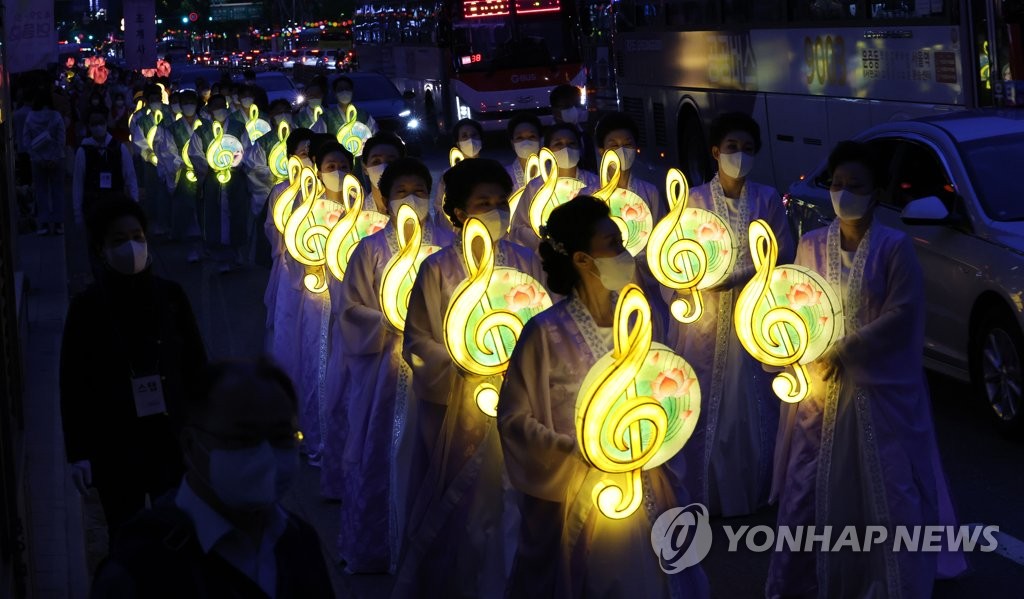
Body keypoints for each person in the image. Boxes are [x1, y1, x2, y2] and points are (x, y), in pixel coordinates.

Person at [766, 141, 967, 598]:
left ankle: (892, 582)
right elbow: (796, 301)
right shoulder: (811, 244)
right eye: (836, 184)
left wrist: (846, 349)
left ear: (877, 192)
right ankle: (808, 580)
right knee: (809, 487)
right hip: (823, 390)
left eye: (855, 185)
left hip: (881, 393)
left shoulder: (895, 248)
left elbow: (902, 314)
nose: (843, 194)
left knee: (891, 492)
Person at [497, 195, 709, 599]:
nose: (625, 254)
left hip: (647, 477)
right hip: (580, 485)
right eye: (613, 245)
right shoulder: (544, 332)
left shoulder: (641, 319)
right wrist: (571, 448)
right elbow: (514, 419)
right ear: (582, 259)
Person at [395, 158, 546, 598]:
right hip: (459, 406)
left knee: (518, 499)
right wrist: (462, 363)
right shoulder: (437, 269)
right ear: (458, 211)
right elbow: (418, 343)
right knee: (467, 505)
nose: (496, 210)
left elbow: (543, 325)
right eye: (483, 203)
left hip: (519, 399)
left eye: (501, 202)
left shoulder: (524, 260)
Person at [90, 359, 334, 598]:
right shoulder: (141, 565)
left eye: (281, 437)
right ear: (190, 445)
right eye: (243, 438)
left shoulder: (300, 542)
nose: (265, 456)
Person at [666, 111, 792, 518]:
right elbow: (671, 262)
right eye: (733, 148)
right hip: (705, 319)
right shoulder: (695, 202)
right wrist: (696, 283)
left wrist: (749, 277)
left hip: (753, 318)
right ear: (716, 151)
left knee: (755, 403)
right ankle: (705, 492)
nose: (740, 155)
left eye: (749, 149)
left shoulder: (767, 198)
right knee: (706, 400)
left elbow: (783, 256)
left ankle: (758, 488)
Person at [60, 198, 207, 540]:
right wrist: (77, 452)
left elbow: (196, 365)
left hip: (171, 438)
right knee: (127, 538)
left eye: (137, 236)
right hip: (114, 446)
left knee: (176, 534)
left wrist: (206, 429)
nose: (131, 246)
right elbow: (73, 383)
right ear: (101, 249)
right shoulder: (87, 308)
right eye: (119, 240)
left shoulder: (170, 296)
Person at [335, 157, 453, 573]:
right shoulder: (369, 249)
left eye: (420, 191)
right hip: (386, 370)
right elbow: (349, 309)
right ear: (383, 200)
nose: (412, 200)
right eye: (401, 192)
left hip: (439, 365)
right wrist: (385, 319)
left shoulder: (447, 245)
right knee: (383, 448)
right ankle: (378, 546)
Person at [287, 139, 354, 467]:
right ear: (318, 170)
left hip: (354, 308)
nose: (338, 173)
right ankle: (318, 442)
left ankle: (347, 445)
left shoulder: (363, 210)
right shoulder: (307, 211)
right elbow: (293, 260)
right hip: (318, 302)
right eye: (331, 168)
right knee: (318, 368)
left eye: (343, 167)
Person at [264, 127, 316, 377]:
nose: (307, 156)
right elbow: (271, 226)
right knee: (289, 321)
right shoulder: (281, 191)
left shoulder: (323, 190)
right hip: (289, 267)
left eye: (310, 152)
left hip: (318, 269)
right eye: (302, 152)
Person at [188, 94, 253, 272]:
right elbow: (195, 153)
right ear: (209, 110)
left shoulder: (239, 128)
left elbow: (247, 150)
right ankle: (218, 255)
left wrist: (237, 165)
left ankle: (236, 252)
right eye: (215, 106)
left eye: (222, 106)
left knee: (237, 214)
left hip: (235, 180)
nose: (220, 110)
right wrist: (212, 166)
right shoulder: (202, 131)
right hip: (212, 181)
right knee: (214, 216)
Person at [510, 122, 599, 249]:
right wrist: (547, 241)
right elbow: (518, 229)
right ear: (548, 151)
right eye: (558, 144)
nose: (565, 148)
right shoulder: (536, 187)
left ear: (580, 148)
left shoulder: (595, 184)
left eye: (571, 144)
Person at [154, 89, 205, 258]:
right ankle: (191, 248)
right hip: (184, 174)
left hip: (205, 174)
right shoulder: (173, 128)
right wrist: (181, 164)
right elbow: (167, 152)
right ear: (181, 106)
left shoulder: (206, 125)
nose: (189, 105)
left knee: (205, 209)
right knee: (186, 210)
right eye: (186, 102)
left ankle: (206, 245)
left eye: (192, 101)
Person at [594, 111, 667, 224]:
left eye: (627, 144)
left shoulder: (650, 192)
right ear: (601, 151)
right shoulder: (590, 194)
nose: (621, 150)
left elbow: (661, 231)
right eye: (614, 145)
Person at [71, 109, 138, 227]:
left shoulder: (119, 148)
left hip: (116, 204)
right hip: (92, 205)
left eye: (101, 123)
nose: (98, 127)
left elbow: (130, 176)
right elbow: (78, 182)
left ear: (106, 124)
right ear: (89, 127)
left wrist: (134, 201)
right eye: (94, 124)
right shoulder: (83, 150)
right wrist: (77, 213)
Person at [130, 83, 173, 236]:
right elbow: (138, 141)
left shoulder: (170, 113)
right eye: (152, 98)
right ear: (147, 100)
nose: (156, 101)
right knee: (153, 192)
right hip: (150, 162)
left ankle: (169, 223)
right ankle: (155, 223)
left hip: (171, 162)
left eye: (158, 98)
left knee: (170, 193)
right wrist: (150, 156)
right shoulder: (139, 117)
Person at [22, 88, 67, 235]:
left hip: (37, 160)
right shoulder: (56, 116)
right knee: (57, 191)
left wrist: (36, 156)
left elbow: (26, 140)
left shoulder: (30, 117)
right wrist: (55, 156)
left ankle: (44, 223)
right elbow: (61, 139)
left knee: (40, 191)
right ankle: (59, 223)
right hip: (56, 159)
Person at [549, 83, 596, 172]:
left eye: (576, 105)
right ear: (554, 110)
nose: (573, 110)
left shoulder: (584, 136)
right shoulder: (546, 141)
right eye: (567, 106)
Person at [320, 75, 378, 141]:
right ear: (335, 93)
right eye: (340, 89)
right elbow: (320, 139)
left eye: (347, 89)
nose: (344, 91)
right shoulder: (326, 117)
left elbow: (375, 136)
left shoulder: (364, 115)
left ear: (352, 91)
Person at [361, 132, 408, 213]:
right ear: (365, 168)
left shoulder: (413, 210)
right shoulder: (358, 212)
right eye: (376, 162)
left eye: (391, 162)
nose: (384, 168)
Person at [506, 113, 542, 190]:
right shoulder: (504, 175)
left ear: (540, 140)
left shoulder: (552, 171)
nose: (526, 142)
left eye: (532, 136)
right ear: (513, 144)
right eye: (519, 137)